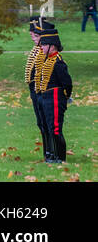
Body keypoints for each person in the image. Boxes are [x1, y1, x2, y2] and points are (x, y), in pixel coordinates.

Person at [33, 27, 72, 162]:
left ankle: (60, 157)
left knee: (55, 129)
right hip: (45, 97)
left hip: (55, 97)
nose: (41, 47)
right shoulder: (47, 60)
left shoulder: (58, 62)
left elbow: (67, 83)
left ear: (52, 46)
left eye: (44, 44)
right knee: (49, 128)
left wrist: (65, 97)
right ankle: (52, 155)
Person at [25, 17, 49, 156]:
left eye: (36, 36)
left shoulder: (44, 51)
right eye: (32, 36)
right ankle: (47, 151)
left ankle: (51, 151)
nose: (33, 38)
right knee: (40, 122)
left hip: (42, 91)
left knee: (46, 122)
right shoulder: (36, 49)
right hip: (34, 90)